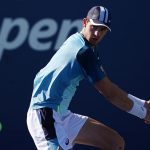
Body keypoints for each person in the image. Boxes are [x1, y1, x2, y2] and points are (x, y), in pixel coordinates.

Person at [27, 5, 150, 150]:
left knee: (114, 143)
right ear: (85, 22)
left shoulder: (83, 44)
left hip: (62, 114)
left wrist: (143, 104)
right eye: (94, 27)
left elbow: (109, 86)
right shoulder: (83, 52)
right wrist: (144, 113)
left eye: (103, 29)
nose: (97, 33)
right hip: (44, 115)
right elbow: (110, 93)